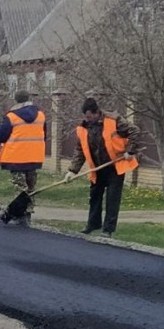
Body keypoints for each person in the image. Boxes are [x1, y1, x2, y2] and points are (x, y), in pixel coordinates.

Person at [65, 97, 141, 237]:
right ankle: (93, 224)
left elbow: (135, 131)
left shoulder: (114, 120)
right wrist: (72, 170)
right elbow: (80, 150)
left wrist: (130, 151)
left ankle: (108, 229)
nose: (88, 119)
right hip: (97, 168)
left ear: (96, 113)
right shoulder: (83, 128)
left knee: (112, 198)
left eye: (89, 116)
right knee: (95, 196)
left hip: (115, 166)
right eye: (86, 117)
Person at [0, 90, 47, 226]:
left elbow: (0, 137)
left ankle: (19, 215)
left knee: (19, 187)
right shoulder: (40, 115)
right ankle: (28, 213)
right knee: (30, 187)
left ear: (15, 101)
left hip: (16, 158)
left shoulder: (12, 117)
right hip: (34, 157)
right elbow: (43, 135)